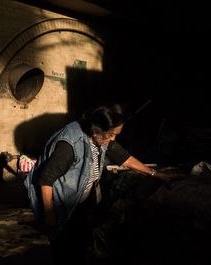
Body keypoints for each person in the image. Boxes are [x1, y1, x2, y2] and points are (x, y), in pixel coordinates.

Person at [24, 103, 176, 265]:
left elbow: (125, 158)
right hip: (59, 205)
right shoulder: (69, 145)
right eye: (111, 135)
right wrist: (50, 215)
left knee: (80, 248)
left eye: (116, 135)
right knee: (65, 251)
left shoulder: (102, 136)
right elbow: (46, 180)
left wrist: (157, 174)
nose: (113, 139)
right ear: (96, 131)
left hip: (80, 202)